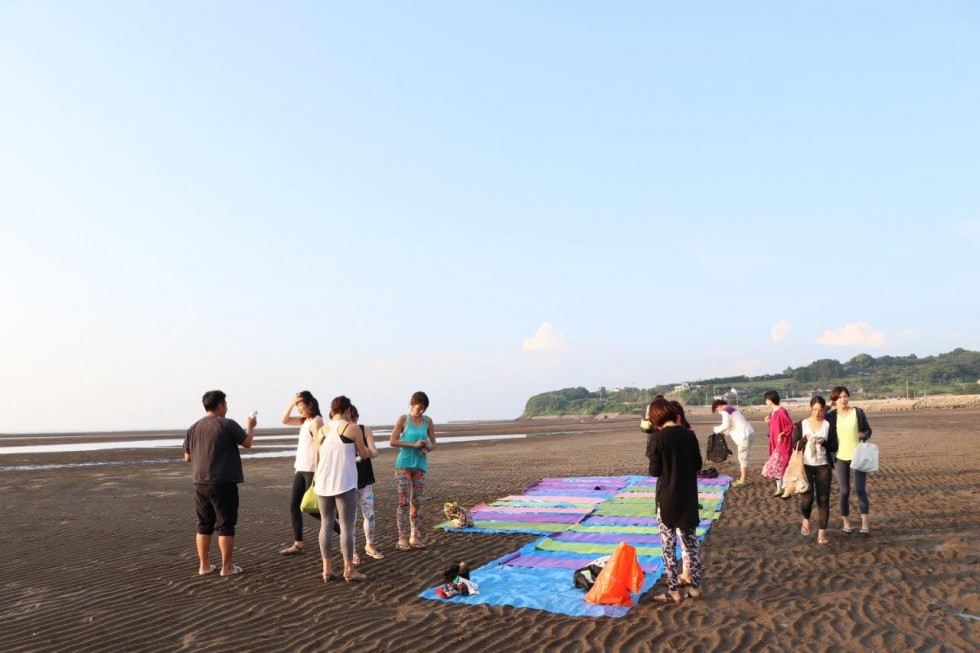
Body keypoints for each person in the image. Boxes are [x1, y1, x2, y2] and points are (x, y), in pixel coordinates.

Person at [182, 390, 256, 577]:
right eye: (226, 404)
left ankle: (204, 565)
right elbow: (247, 442)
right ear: (220, 405)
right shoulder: (227, 424)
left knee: (204, 524)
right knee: (225, 525)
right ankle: (226, 567)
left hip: (200, 482)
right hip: (223, 481)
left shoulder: (193, 427)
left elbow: (187, 457)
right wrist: (250, 426)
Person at [645, 398, 703, 604]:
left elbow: (654, 471)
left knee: (668, 546)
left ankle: (673, 591)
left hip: (667, 498)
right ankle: (695, 587)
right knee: (691, 544)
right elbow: (698, 464)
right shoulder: (689, 435)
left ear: (655, 418)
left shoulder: (657, 438)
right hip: (688, 496)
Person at [314, 395, 371, 583]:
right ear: (347, 411)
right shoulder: (351, 427)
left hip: (322, 482)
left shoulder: (321, 430)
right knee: (346, 526)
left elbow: (317, 458)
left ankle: (327, 569)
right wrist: (370, 452)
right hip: (344, 482)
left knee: (326, 524)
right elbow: (363, 454)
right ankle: (349, 569)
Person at [278, 391, 324, 556]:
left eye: (300, 405)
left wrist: (318, 473)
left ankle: (344, 533)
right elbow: (284, 420)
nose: (298, 409)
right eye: (297, 406)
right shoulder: (305, 421)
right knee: (294, 506)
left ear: (310, 404)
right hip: (301, 468)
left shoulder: (317, 421)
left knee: (314, 509)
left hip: (312, 470)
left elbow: (320, 448)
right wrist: (292, 403)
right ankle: (298, 544)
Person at [389, 391, 436, 551]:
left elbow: (434, 443)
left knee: (416, 502)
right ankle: (402, 537)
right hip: (403, 465)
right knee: (403, 502)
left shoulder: (428, 421)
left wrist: (427, 448)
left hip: (420, 465)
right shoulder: (403, 419)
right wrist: (413, 445)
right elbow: (393, 441)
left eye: (423, 408)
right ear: (412, 404)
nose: (421, 411)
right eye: (418, 407)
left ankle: (414, 536)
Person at [826, 385, 873, 535]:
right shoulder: (832, 416)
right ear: (834, 399)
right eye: (839, 397)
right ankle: (846, 523)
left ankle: (865, 523)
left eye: (845, 396)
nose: (843, 399)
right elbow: (818, 416)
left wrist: (864, 435)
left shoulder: (858, 412)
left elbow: (868, 430)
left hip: (858, 455)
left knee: (860, 489)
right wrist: (828, 406)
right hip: (840, 457)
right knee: (844, 491)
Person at [791, 396, 838, 545]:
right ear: (810, 409)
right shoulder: (801, 425)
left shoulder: (828, 425)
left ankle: (821, 534)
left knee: (823, 499)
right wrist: (805, 439)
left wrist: (824, 442)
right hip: (805, 465)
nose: (818, 412)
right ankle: (806, 518)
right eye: (815, 409)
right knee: (807, 498)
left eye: (821, 409)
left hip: (823, 466)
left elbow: (835, 447)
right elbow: (794, 445)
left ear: (824, 409)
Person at [349, 404, 383, 563]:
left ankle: (369, 544)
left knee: (369, 514)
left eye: (353, 419)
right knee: (351, 518)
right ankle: (352, 550)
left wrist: (366, 452)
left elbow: (374, 451)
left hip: (365, 478)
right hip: (347, 480)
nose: (352, 423)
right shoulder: (340, 431)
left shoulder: (364, 429)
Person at [711, 399, 756, 488]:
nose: (718, 412)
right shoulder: (732, 409)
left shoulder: (724, 411)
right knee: (743, 457)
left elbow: (726, 425)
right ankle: (743, 478)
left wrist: (716, 429)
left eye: (716, 410)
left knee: (743, 458)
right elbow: (732, 425)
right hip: (748, 432)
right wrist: (725, 434)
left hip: (744, 435)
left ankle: (742, 480)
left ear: (718, 406)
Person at [761, 390, 794, 496]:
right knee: (775, 465)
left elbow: (790, 426)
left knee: (782, 465)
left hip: (782, 443)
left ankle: (785, 488)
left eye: (766, 400)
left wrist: (783, 434)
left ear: (770, 400)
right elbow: (775, 427)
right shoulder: (773, 412)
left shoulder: (781, 411)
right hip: (774, 443)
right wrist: (768, 422)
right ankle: (779, 488)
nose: (766, 402)